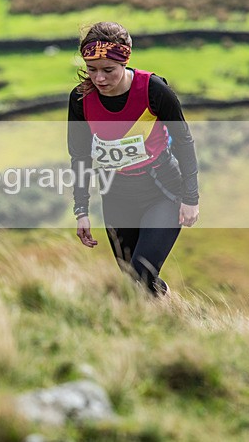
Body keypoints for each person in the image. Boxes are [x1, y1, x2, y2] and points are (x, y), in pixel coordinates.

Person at [67, 21, 199, 296]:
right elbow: (79, 155)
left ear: (125, 60)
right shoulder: (81, 99)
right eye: (92, 70)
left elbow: (184, 142)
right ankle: (166, 312)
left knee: (141, 274)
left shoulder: (154, 90)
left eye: (108, 70)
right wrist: (81, 209)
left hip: (162, 191)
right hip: (116, 194)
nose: (99, 78)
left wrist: (191, 198)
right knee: (134, 280)